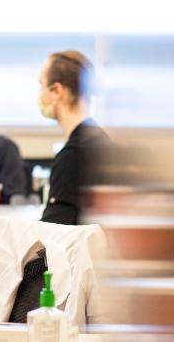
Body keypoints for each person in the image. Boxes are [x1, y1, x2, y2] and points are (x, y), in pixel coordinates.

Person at [37, 51, 110, 225]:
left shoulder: (73, 155)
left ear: (56, 91)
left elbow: (53, 234)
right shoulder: (98, 139)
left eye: (41, 85)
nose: (39, 95)